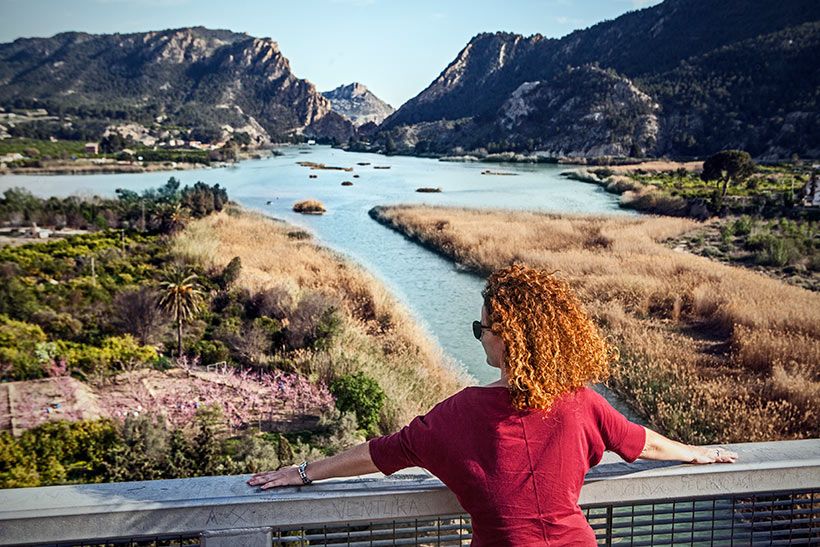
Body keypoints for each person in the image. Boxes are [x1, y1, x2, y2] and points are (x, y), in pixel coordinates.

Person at [248, 264, 738, 545]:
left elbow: (380, 454)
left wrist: (304, 472)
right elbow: (642, 442)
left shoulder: (457, 415)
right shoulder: (582, 404)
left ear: (509, 338)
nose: (480, 335)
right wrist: (696, 452)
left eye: (482, 327)